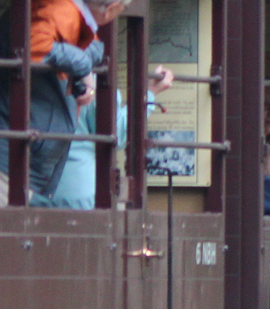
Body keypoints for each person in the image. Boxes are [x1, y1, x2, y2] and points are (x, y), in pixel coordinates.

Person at [0, 0, 139, 198]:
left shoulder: (69, 10)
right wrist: (81, 66)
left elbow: (92, 45)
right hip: (10, 157)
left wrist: (81, 67)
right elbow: (33, 46)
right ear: (113, 8)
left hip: (25, 156)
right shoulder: (58, 8)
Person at [40, 64, 172, 209]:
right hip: (82, 195)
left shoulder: (28, 74)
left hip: (30, 193)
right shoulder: (89, 77)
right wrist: (150, 93)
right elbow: (115, 134)